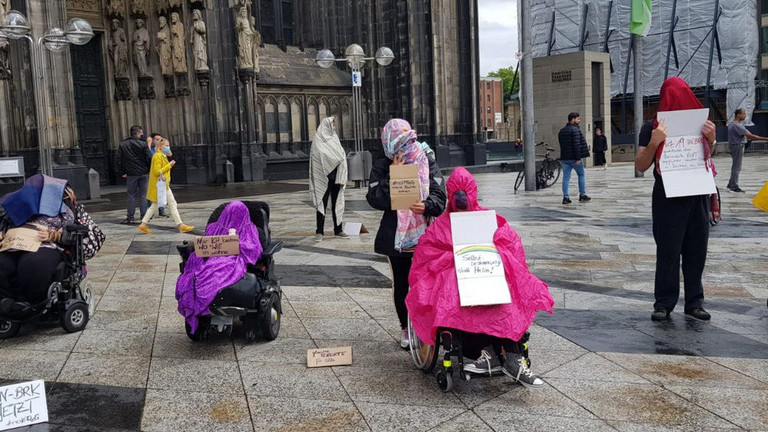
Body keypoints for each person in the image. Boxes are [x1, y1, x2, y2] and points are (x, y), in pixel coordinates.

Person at [406, 167, 554, 388]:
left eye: (464, 193)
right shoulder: (442, 227)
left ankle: (511, 358)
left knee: (504, 299)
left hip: (487, 278)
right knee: (461, 302)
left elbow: (509, 243)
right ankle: (492, 354)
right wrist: (455, 261)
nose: (461, 199)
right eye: (457, 194)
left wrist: (493, 256)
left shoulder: (489, 219)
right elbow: (427, 257)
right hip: (458, 284)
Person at [635, 77, 715, 322]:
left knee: (697, 249)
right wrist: (654, 142)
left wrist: (711, 139)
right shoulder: (652, 126)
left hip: (696, 194)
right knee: (668, 250)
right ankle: (664, 302)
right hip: (667, 197)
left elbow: (707, 158)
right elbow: (640, 164)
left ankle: (694, 302)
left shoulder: (702, 124)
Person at [367, 119, 446, 349]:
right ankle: (405, 327)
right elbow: (374, 199)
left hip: (426, 235)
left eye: (408, 141)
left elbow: (440, 194)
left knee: (425, 283)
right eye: (399, 142)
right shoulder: (383, 164)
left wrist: (428, 204)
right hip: (397, 238)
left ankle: (426, 325)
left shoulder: (425, 159)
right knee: (401, 283)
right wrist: (394, 175)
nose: (405, 147)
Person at [176, 201, 262, 332]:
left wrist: (236, 244)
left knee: (219, 270)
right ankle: (203, 296)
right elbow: (207, 244)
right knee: (202, 270)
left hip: (233, 259)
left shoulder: (249, 229)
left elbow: (254, 249)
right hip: (212, 258)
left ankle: (206, 294)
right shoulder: (214, 228)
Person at [0, 175, 77, 303]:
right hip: (13, 244)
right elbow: (4, 224)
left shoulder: (62, 210)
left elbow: (69, 232)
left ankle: (33, 303)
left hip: (45, 245)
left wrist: (54, 235)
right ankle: (7, 302)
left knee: (32, 264)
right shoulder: (18, 208)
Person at [137, 139, 194, 234]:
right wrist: (169, 165)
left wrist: (168, 153)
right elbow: (156, 171)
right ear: (160, 146)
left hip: (163, 185)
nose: (168, 147)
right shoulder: (157, 156)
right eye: (166, 145)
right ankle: (180, 225)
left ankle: (143, 224)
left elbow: (169, 154)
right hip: (161, 185)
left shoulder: (161, 155)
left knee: (155, 205)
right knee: (172, 204)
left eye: (169, 145)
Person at [309, 117, 349, 241]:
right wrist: (335, 158)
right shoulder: (318, 140)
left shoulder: (334, 138)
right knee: (322, 202)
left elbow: (341, 154)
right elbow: (319, 155)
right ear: (326, 125)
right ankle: (319, 231)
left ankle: (338, 229)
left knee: (338, 203)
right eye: (332, 124)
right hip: (323, 177)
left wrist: (338, 159)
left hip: (336, 177)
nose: (334, 127)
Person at [726, 108, 768, 193]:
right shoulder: (736, 125)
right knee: (737, 167)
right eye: (743, 114)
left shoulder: (732, 124)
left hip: (734, 146)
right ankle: (734, 186)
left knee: (735, 166)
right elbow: (751, 136)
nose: (745, 116)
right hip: (737, 146)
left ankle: (731, 183)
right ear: (738, 115)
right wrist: (765, 138)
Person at [117, 125, 152, 224]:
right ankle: (144, 217)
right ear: (137, 133)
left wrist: (122, 172)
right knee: (143, 194)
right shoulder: (143, 144)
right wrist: (148, 169)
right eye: (141, 133)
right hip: (143, 172)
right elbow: (149, 157)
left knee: (131, 195)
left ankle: (130, 217)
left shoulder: (123, 144)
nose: (142, 135)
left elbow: (118, 159)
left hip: (131, 173)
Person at [558, 113, 591, 204]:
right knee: (581, 175)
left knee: (566, 178)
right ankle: (582, 195)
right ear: (573, 119)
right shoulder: (575, 130)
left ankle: (565, 197)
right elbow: (576, 145)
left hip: (565, 158)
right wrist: (578, 158)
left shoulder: (562, 131)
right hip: (574, 158)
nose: (579, 121)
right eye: (578, 119)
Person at [147, 133, 170, 218]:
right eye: (156, 139)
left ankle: (161, 210)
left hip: (163, 177)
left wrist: (166, 146)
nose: (158, 141)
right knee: (154, 195)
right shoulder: (154, 151)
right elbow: (149, 156)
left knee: (162, 194)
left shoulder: (162, 149)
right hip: (155, 174)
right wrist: (149, 144)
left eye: (160, 139)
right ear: (152, 140)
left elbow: (169, 154)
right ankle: (149, 214)